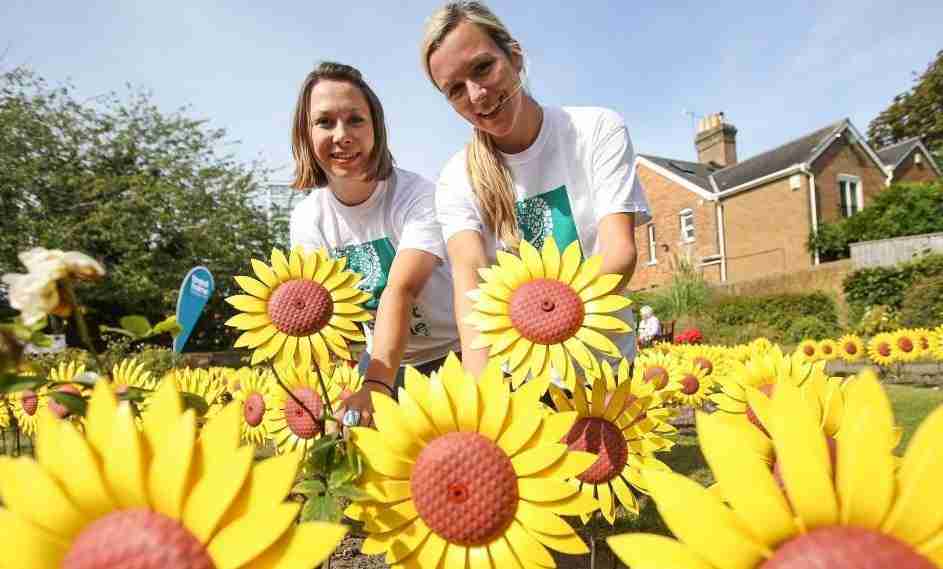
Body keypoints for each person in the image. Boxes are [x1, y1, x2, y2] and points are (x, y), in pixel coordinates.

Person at [422, 2, 651, 378]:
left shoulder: (596, 130)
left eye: (483, 68)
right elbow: (471, 293)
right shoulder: (456, 178)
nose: (477, 94)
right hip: (522, 384)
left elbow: (620, 253)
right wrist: (482, 399)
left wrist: (545, 316)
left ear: (514, 57)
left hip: (604, 374)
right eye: (455, 90)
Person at [288, 62, 460, 427]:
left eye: (355, 120)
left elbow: (402, 288)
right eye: (324, 122)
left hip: (450, 352)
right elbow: (321, 319)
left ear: (376, 128)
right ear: (305, 134)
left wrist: (378, 383)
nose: (342, 134)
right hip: (380, 360)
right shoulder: (307, 220)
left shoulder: (418, 195)